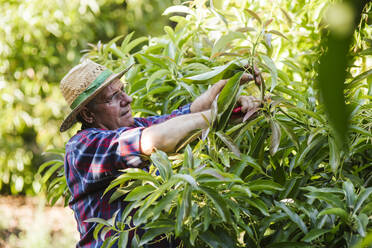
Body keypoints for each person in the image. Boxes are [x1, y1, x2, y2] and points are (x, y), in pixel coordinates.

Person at [60, 59, 261, 248]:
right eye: (113, 97)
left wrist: (225, 93)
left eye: (123, 90)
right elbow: (159, 139)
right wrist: (218, 115)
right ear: (87, 114)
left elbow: (184, 115)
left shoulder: (133, 126)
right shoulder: (82, 146)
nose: (127, 99)